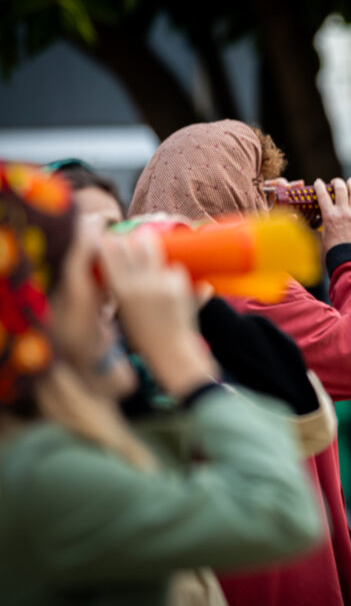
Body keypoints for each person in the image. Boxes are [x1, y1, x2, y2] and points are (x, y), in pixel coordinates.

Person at [0, 163, 323, 605]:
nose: (109, 284)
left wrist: (202, 308)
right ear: (40, 305)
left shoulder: (51, 438)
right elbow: (281, 512)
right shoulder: (42, 474)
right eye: (91, 264)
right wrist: (178, 357)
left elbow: (307, 425)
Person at [128, 120, 351, 606]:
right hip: (274, 558)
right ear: (227, 188)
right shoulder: (243, 290)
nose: (280, 193)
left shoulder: (147, 281)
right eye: (259, 182)